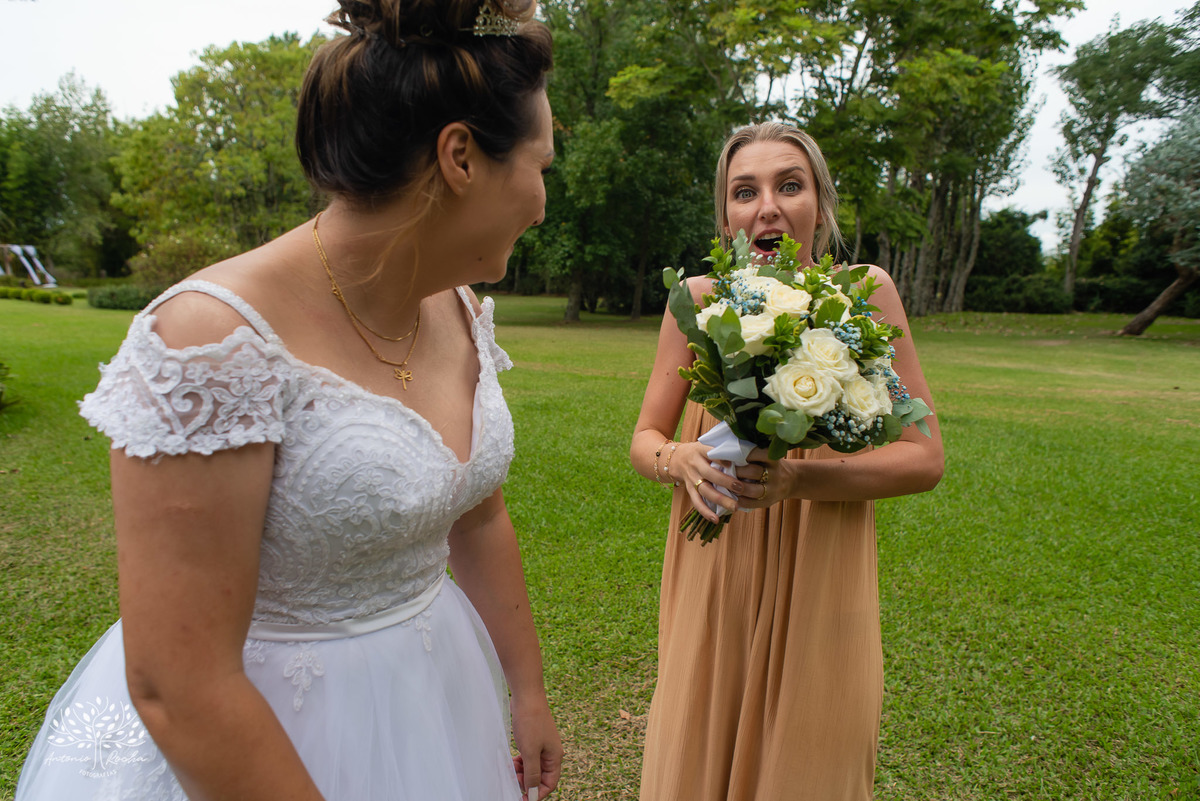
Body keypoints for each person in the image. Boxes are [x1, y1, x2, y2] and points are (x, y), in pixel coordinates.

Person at [15, 1, 561, 799]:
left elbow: (477, 512)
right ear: (461, 156)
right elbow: (179, 684)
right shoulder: (210, 339)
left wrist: (527, 686)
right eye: (540, 166)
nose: (544, 200)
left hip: (432, 699)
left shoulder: (460, 308)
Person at [630, 122, 944, 801]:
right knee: (695, 758)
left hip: (822, 574)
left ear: (820, 206)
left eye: (789, 185)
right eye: (746, 191)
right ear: (726, 215)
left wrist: (801, 477)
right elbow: (645, 439)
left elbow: (923, 456)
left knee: (812, 763)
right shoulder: (701, 302)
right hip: (718, 578)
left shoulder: (865, 299)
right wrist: (679, 458)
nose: (767, 205)